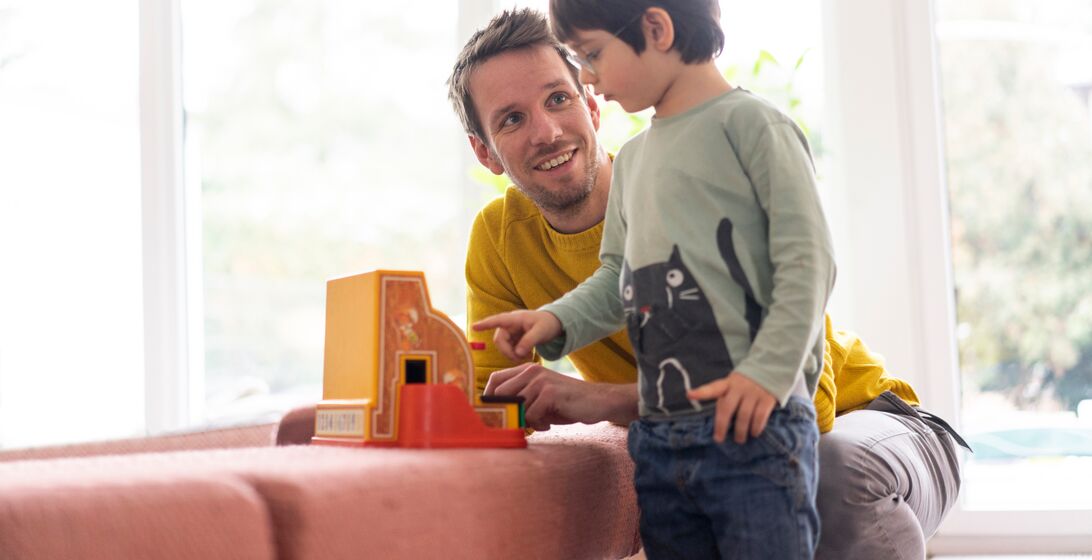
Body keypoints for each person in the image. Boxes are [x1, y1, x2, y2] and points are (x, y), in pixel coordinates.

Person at [446, 6, 965, 560]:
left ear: (591, 104)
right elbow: (496, 400)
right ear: (484, 152)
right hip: (696, 438)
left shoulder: (724, 148)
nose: (547, 131)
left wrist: (599, 400)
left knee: (828, 472)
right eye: (511, 119)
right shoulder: (508, 238)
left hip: (863, 417)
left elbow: (798, 402)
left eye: (560, 96)